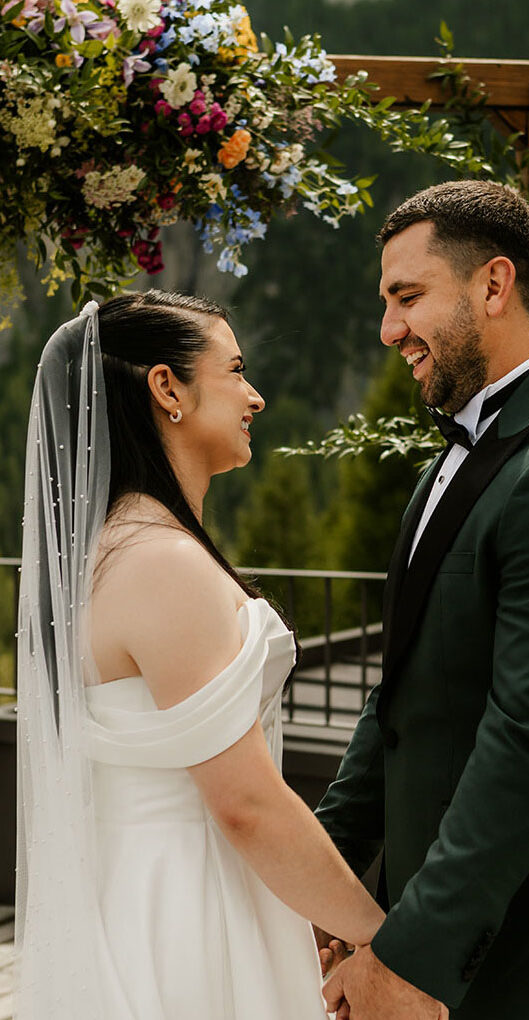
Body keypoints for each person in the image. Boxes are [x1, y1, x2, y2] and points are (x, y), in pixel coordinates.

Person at [316, 180, 529, 1020]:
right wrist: (324, 874)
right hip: (437, 931)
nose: (390, 330)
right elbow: (398, 699)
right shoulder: (449, 464)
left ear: (493, 286)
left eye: (408, 296)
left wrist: (414, 958)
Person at [15, 289, 384, 1019]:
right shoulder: (159, 562)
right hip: (186, 906)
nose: (256, 396)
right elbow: (245, 803)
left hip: (137, 892)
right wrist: (380, 939)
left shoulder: (117, 547)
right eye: (236, 369)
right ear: (167, 388)